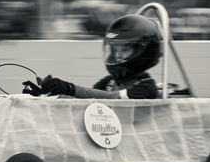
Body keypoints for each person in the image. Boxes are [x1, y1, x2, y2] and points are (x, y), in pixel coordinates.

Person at [23, 14, 161, 99]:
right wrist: (48, 93)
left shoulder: (147, 87)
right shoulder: (109, 82)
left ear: (143, 51)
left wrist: (70, 88)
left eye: (125, 49)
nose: (118, 54)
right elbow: (85, 101)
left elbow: (114, 99)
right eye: (115, 48)